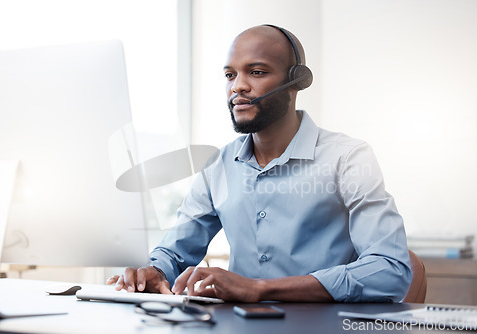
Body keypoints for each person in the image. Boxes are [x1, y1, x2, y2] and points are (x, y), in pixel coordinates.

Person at [106, 25, 412, 303]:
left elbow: (391, 270)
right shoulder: (219, 165)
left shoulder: (347, 157)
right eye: (230, 75)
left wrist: (259, 289)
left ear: (296, 81)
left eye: (256, 72)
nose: (237, 86)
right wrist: (156, 270)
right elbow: (175, 250)